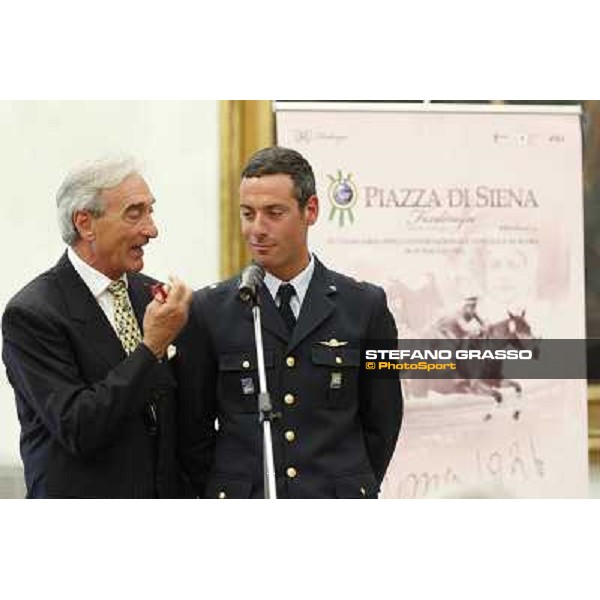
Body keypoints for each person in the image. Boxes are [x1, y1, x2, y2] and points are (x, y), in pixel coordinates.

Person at [177, 146, 402, 498]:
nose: (257, 229)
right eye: (248, 214)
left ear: (310, 210)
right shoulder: (210, 309)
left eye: (274, 213)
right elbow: (193, 432)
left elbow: (383, 420)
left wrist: (350, 488)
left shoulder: (365, 306)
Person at [1, 157, 192, 498]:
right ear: (85, 223)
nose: (152, 229)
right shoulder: (32, 314)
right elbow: (78, 427)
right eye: (135, 213)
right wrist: (150, 349)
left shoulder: (150, 296)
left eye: (151, 211)